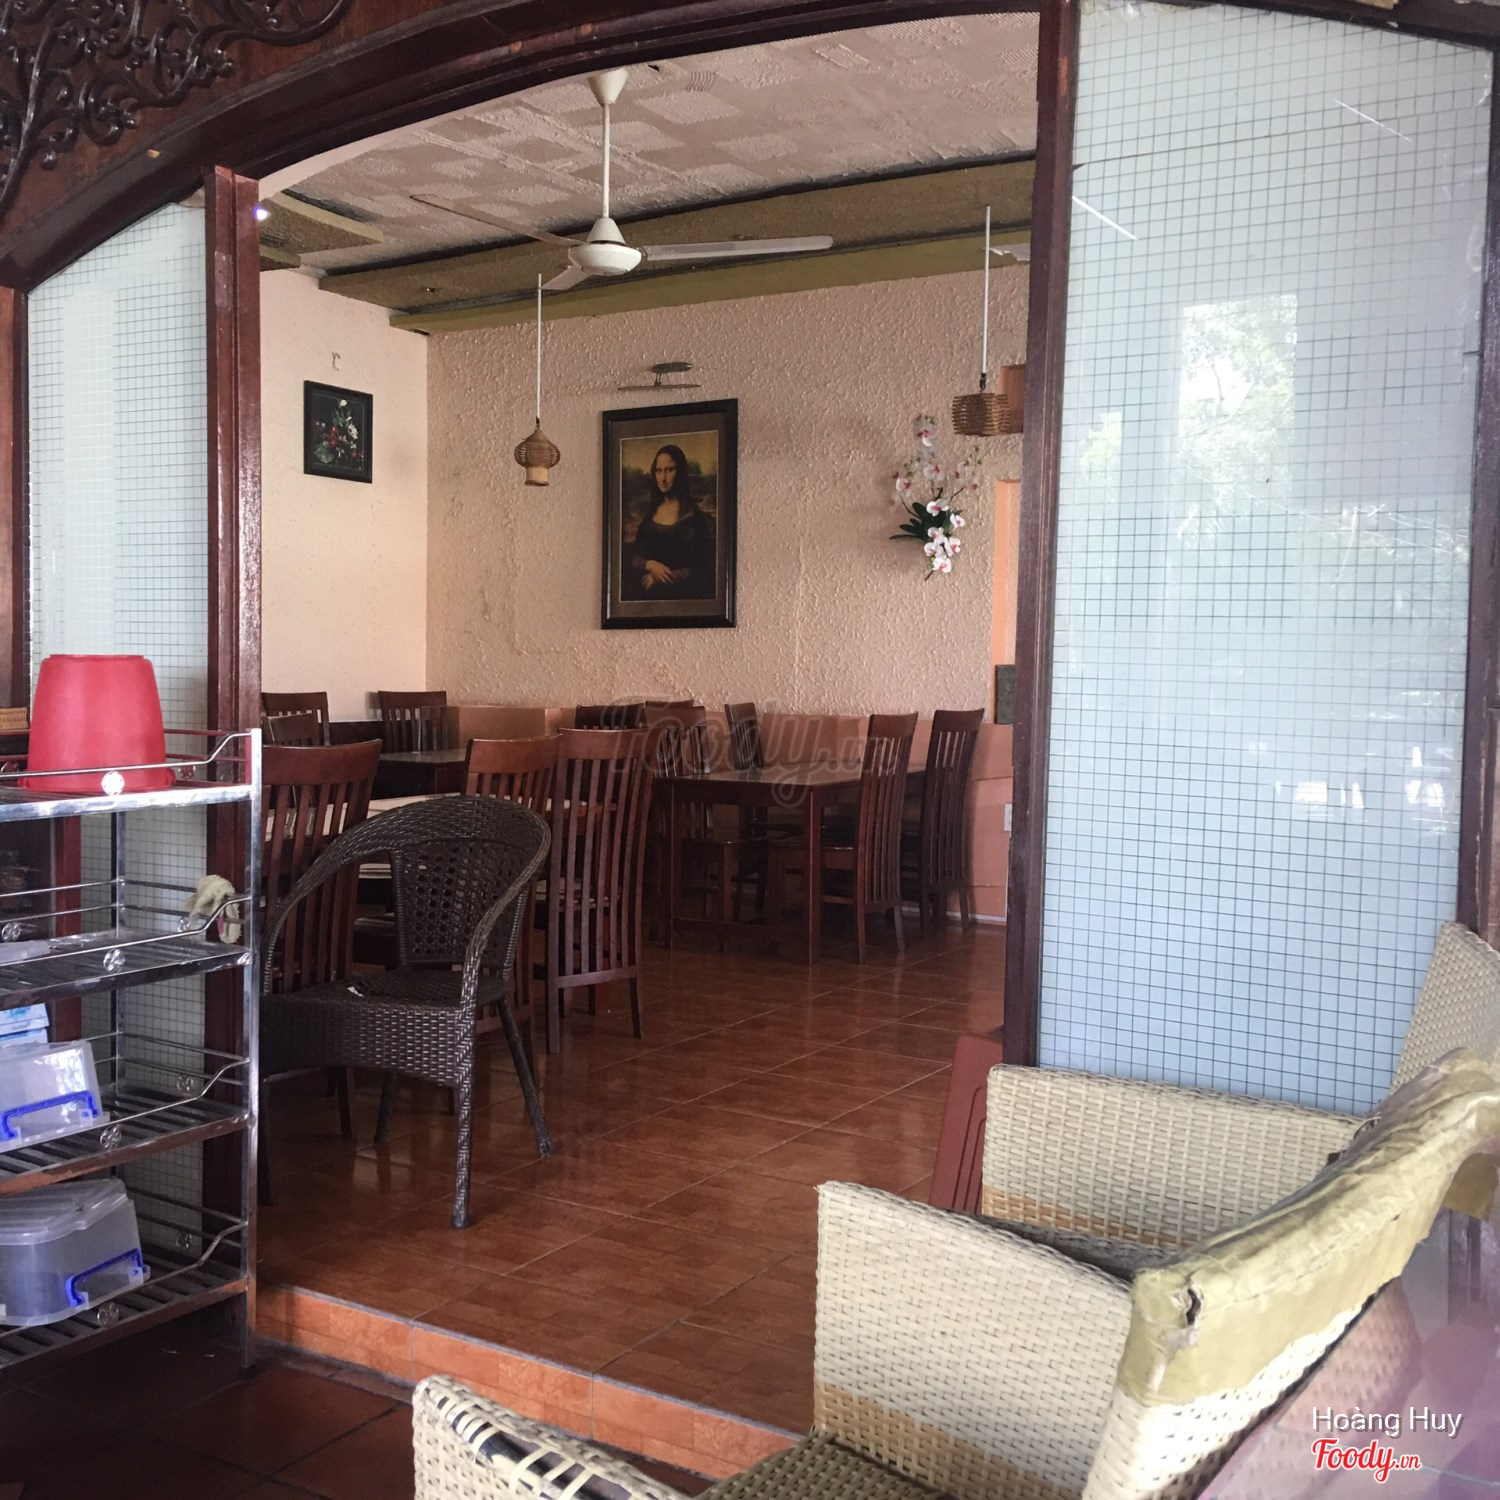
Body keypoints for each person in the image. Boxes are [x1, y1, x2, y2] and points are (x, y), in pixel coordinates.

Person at [622, 444, 717, 601]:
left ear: (680, 472)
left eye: (669, 470)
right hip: (646, 600)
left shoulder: (693, 518)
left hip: (682, 598)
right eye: (658, 471)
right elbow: (635, 557)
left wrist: (661, 577)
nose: (663, 478)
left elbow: (700, 568)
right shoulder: (649, 516)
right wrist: (650, 565)